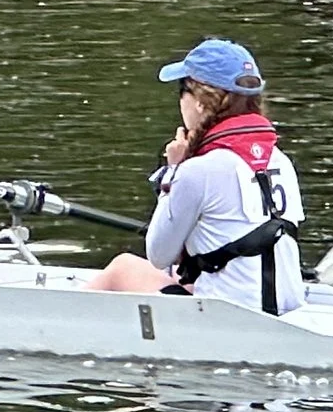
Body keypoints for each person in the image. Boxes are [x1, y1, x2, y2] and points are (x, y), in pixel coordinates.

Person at [87, 37, 305, 314]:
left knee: (123, 268)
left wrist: (173, 172)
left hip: (231, 317)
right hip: (286, 310)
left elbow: (158, 255)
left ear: (201, 103)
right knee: (185, 275)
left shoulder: (197, 171)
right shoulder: (281, 160)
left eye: (182, 90)